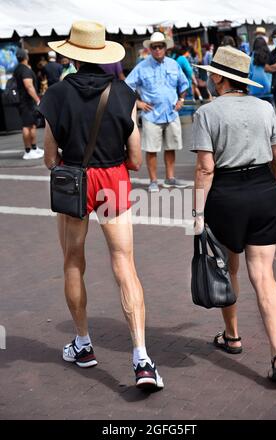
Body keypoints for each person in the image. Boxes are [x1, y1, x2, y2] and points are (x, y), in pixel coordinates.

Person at [38, 20, 164, 391]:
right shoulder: (123, 93)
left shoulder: (57, 94)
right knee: (125, 264)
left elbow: (48, 157)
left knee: (73, 261)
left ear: (72, 55)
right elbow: (137, 159)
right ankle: (141, 358)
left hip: (74, 179)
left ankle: (83, 343)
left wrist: (71, 157)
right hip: (112, 178)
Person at [192, 46, 276, 382]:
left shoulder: (207, 113)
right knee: (264, 275)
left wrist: (196, 210)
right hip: (264, 190)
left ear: (220, 77)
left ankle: (232, 336)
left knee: (228, 268)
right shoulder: (265, 108)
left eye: (211, 73)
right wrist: (275, 185)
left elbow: (205, 169)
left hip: (227, 195)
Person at [125, 32, 189, 193]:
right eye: (154, 47)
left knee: (171, 147)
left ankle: (170, 178)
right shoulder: (142, 66)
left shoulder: (173, 64)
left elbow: (184, 83)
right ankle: (153, 181)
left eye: (160, 46)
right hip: (151, 115)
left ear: (165, 48)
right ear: (150, 49)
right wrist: (138, 103)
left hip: (171, 113)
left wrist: (181, 100)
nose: (158, 49)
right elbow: (126, 87)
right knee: (151, 149)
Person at [14, 49, 44, 160]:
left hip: (24, 102)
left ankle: (34, 148)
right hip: (26, 102)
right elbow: (29, 86)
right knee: (27, 126)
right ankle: (28, 151)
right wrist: (37, 99)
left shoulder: (18, 69)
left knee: (32, 125)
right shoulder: (25, 69)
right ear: (26, 57)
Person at [249, 37, 272, 102]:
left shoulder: (251, 57)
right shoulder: (270, 56)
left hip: (254, 90)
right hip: (268, 89)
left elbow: (249, 74)